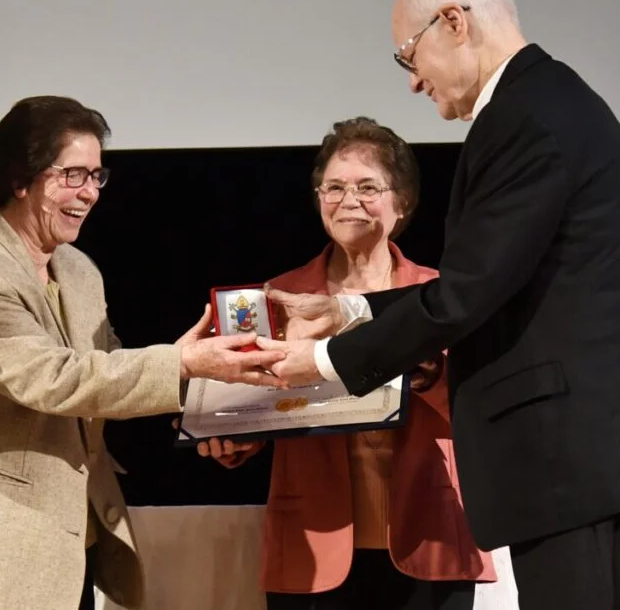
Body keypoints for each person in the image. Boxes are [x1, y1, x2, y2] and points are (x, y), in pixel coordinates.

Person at [256, 0, 620, 610]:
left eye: (407, 57)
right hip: (585, 462)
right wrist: (350, 308)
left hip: (579, 463)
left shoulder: (530, 115)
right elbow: (483, 282)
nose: (415, 82)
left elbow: (466, 293)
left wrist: (325, 359)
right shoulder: (543, 104)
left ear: (453, 23)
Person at [0, 95, 285, 610]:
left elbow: (111, 373)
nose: (90, 193)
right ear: (20, 177)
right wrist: (184, 362)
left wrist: (207, 409)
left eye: (97, 177)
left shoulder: (78, 270)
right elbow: (56, 379)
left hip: (71, 543)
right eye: (73, 175)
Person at [197, 117, 494, 610]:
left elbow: (480, 404)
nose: (347, 200)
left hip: (432, 539)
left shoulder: (441, 295)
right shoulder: (280, 296)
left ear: (402, 203)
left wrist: (429, 376)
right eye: (333, 187)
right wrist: (231, 435)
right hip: (313, 544)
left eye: (367, 187)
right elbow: (252, 400)